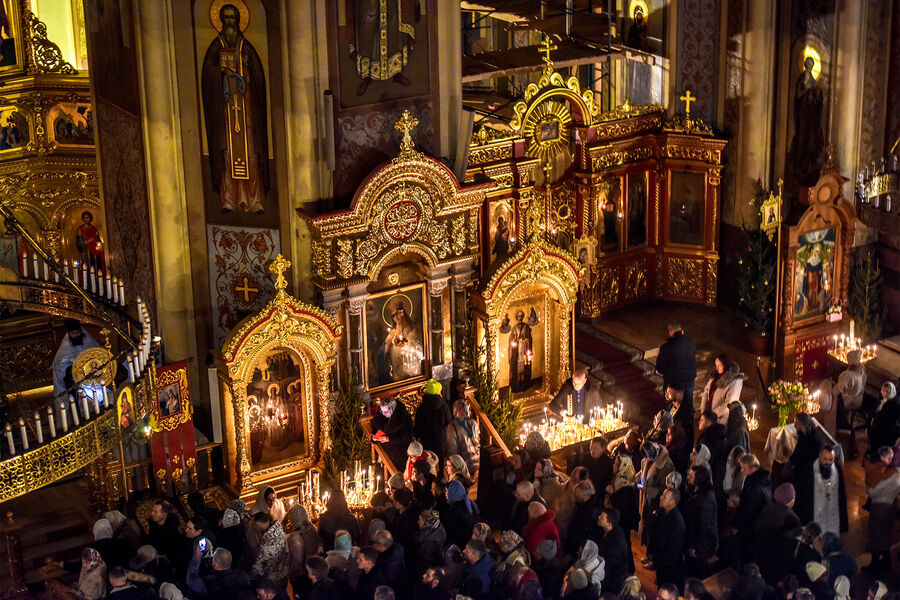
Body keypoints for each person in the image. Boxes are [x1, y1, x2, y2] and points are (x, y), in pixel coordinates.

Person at [201, 2, 269, 212]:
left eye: (233, 18)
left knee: (251, 157)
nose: (230, 22)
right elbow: (207, 76)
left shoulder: (246, 47)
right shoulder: (216, 46)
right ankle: (229, 200)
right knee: (228, 156)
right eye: (227, 18)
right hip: (225, 116)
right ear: (221, 21)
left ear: (239, 21)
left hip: (247, 112)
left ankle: (255, 200)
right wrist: (221, 73)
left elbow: (258, 78)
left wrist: (246, 69)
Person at [755, 483, 802, 584]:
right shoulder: (792, 519)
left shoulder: (768, 507)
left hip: (761, 554)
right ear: (791, 500)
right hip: (778, 561)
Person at [795, 445, 847, 536]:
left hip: (831, 513)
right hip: (815, 513)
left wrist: (843, 522)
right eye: (825, 459)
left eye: (831, 459)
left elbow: (842, 494)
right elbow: (802, 496)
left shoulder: (837, 469)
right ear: (820, 457)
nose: (828, 462)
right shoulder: (809, 471)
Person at [864, 446, 900, 575]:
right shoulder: (893, 473)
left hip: (881, 507)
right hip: (890, 506)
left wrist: (868, 486)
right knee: (885, 537)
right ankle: (886, 562)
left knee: (877, 537)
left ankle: (875, 566)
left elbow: (872, 492)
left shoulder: (893, 475)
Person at [734, 454, 772, 563]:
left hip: (752, 526)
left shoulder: (754, 487)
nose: (741, 471)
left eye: (743, 468)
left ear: (753, 468)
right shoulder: (761, 478)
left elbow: (747, 510)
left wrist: (737, 525)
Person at [656, 323, 697, 421]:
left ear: (670, 331)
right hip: (689, 380)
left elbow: (660, 368)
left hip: (673, 384)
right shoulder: (690, 342)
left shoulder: (666, 348)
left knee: (673, 409)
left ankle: (672, 429)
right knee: (688, 406)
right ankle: (688, 427)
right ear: (681, 330)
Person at [51, 318, 100, 399]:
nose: (77, 335)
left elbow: (98, 355)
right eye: (73, 333)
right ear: (69, 334)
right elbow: (59, 369)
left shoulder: (89, 342)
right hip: (74, 384)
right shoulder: (64, 351)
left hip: (92, 379)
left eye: (78, 332)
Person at [683, 465, 718, 578]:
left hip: (701, 547)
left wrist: (695, 546)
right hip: (698, 543)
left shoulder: (704, 499)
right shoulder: (701, 492)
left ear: (699, 479)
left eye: (691, 476)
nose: (688, 477)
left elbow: (704, 526)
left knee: (695, 573)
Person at [650, 488, 685, 585]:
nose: (661, 497)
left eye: (665, 496)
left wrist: (660, 562)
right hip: (661, 560)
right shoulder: (663, 512)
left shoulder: (676, 522)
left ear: (672, 502)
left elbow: (672, 548)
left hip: (668, 565)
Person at [834, 350, 866, 456]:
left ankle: (847, 451)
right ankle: (853, 451)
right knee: (850, 425)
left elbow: (839, 389)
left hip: (846, 402)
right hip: (857, 402)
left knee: (845, 427)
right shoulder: (862, 372)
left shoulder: (847, 375)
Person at [414, 379, 451, 470]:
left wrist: (416, 435)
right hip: (440, 438)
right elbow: (449, 421)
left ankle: (430, 477)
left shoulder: (422, 407)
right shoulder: (444, 405)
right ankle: (441, 475)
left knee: (428, 459)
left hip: (426, 439)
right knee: (441, 459)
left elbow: (418, 423)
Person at [371, 397, 414, 472]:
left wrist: (389, 439)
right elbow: (376, 429)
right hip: (387, 454)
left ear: (392, 410)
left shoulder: (404, 417)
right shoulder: (380, 417)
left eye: (386, 412)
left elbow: (406, 436)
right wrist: (374, 439)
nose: (383, 414)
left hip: (401, 453)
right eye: (382, 411)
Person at [594, 507, 631, 593]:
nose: (598, 517)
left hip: (611, 580)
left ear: (609, 523)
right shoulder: (604, 531)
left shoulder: (616, 543)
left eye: (602, 518)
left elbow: (609, 564)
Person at [700, 354, 745, 425]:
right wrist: (703, 410)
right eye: (716, 365)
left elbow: (728, 404)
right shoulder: (715, 376)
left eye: (719, 365)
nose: (717, 368)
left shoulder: (735, 381)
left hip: (721, 419)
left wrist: (712, 415)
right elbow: (706, 391)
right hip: (709, 416)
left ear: (726, 365)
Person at [250, 511, 289, 585]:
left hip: (273, 580)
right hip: (284, 574)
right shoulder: (279, 531)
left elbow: (258, 568)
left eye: (253, 525)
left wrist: (250, 578)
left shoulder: (267, 544)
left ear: (257, 524)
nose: (253, 527)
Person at [446, 399, 481, 478]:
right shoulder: (473, 422)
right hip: (475, 460)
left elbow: (452, 449)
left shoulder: (452, 427)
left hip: (463, 464)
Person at [372, 529, 406, 599]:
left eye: (374, 542)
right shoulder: (397, 548)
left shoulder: (389, 561)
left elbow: (389, 582)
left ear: (381, 545)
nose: (373, 545)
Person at [868, 382, 900, 456]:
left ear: (892, 392)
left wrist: (870, 430)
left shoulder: (893, 405)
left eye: (887, 392)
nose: (884, 393)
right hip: (878, 428)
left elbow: (883, 422)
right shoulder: (883, 401)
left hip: (884, 433)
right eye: (882, 391)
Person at [667, 386, 695, 451]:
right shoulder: (672, 406)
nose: (666, 395)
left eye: (669, 393)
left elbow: (679, 435)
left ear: (678, 395)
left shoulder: (685, 414)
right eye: (666, 392)